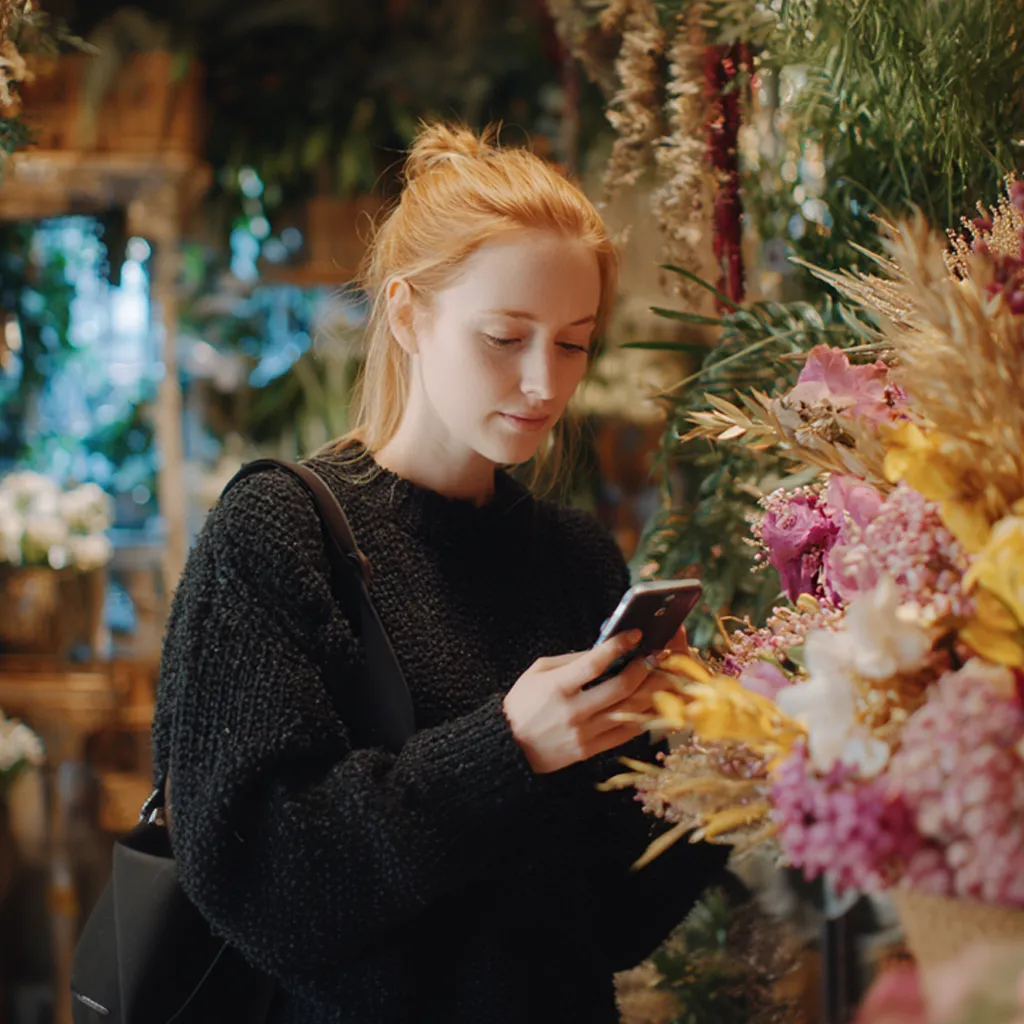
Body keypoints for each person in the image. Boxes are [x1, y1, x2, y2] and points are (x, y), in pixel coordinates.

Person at [151, 122, 727, 1024]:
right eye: (505, 336)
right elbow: (259, 880)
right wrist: (508, 750)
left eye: (573, 343)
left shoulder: (575, 560)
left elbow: (611, 923)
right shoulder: (276, 532)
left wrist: (713, 765)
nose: (544, 382)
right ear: (407, 313)